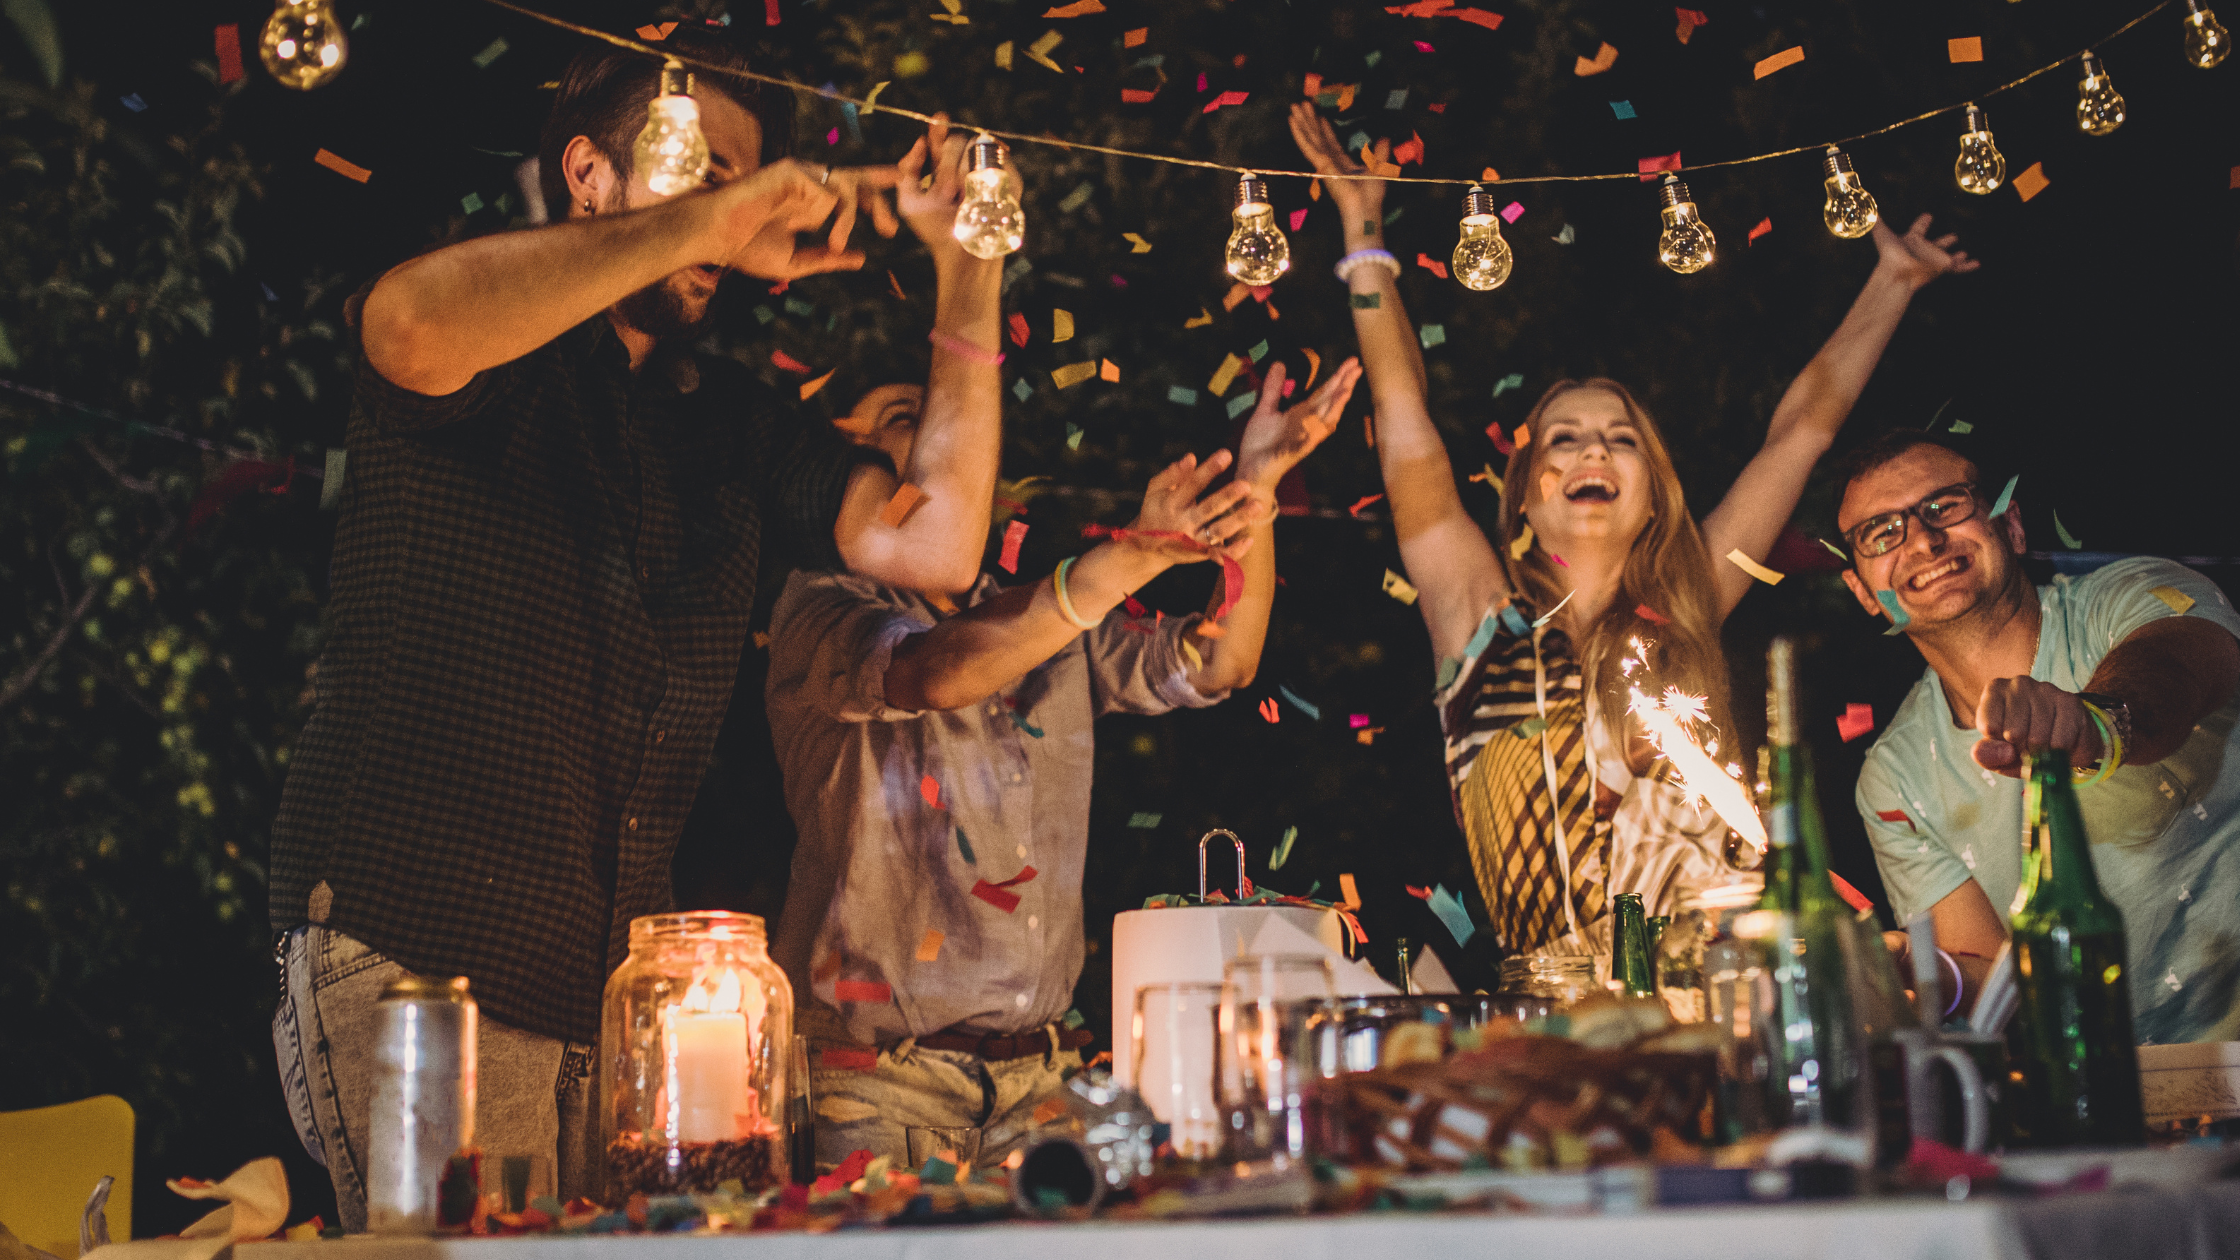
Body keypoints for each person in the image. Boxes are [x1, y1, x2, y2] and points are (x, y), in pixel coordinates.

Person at [267, 28, 1005, 1223]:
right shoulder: (496, 326)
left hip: (605, 986)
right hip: (416, 950)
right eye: (694, 166)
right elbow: (404, 327)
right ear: (588, 176)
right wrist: (712, 219)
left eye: (744, 180)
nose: (731, 211)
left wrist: (965, 264)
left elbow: (936, 546)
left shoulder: (733, 425)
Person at [1286, 103, 1975, 957]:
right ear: (1524, 497)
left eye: (1619, 439)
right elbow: (1404, 421)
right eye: (1565, 437)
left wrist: (1893, 282)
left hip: (1717, 978)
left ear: (1653, 495)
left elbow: (1799, 434)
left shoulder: (1690, 599)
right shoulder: (1476, 617)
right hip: (1551, 1009)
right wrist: (1362, 231)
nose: (1593, 450)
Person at [766, 354, 1362, 1171]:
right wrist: (1136, 555)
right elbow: (937, 672)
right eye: (910, 416)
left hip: (1041, 1084)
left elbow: (1221, 662)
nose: (952, 431)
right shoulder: (816, 608)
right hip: (876, 1090)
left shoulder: (1038, 615)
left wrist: (1251, 494)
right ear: (846, 465)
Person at [1839, 430, 2240, 1044]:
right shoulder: (1893, 778)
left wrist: (2093, 723)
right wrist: (1922, 974)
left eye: (1945, 505)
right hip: (2115, 1104)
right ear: (1866, 593)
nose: (1921, 539)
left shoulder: (2131, 596)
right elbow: (2010, 990)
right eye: (1880, 532)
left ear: (2012, 527)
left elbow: (2176, 670)